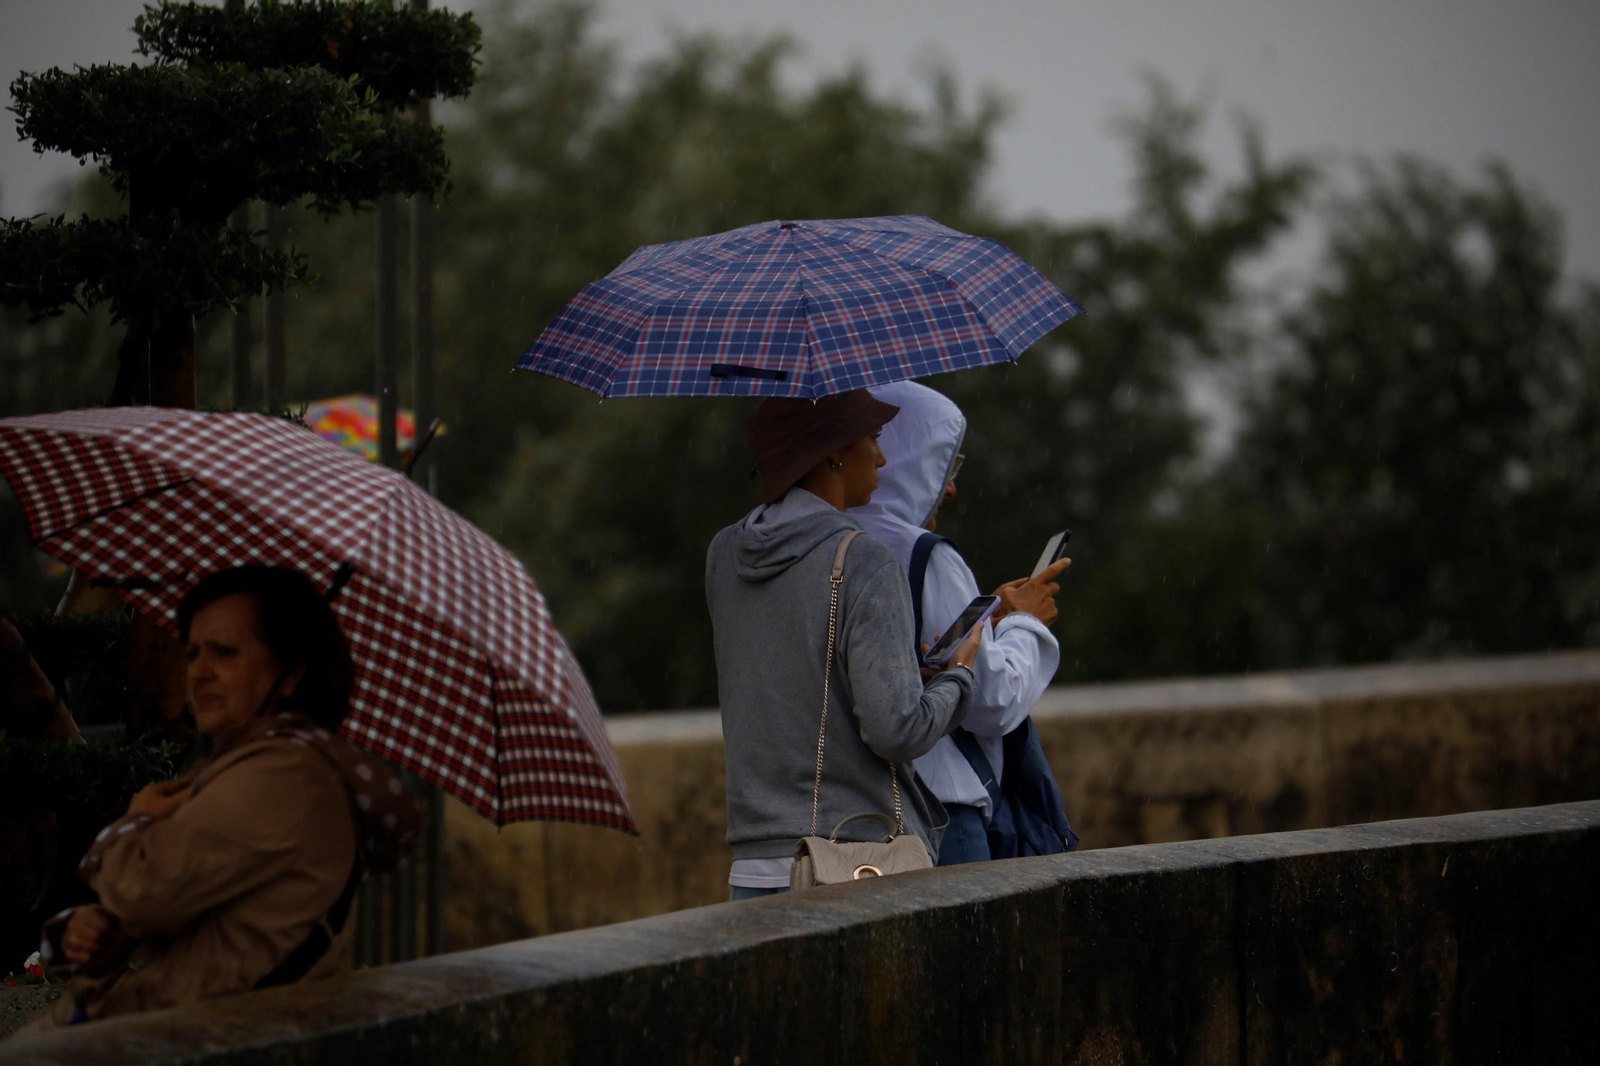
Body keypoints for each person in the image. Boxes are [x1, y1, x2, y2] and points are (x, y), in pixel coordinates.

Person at [19, 566, 418, 1031]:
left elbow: (142, 893)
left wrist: (135, 821)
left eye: (224, 653)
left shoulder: (279, 776)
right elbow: (203, 918)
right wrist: (105, 932)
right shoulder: (266, 766)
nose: (199, 672)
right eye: (192, 652)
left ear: (291, 675)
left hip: (172, 1039)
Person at [705, 390, 982, 900]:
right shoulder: (865, 559)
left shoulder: (724, 553)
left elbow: (788, 676)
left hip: (753, 869)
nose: (882, 458)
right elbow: (898, 730)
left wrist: (900, 671)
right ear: (833, 452)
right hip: (852, 864)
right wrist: (960, 677)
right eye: (873, 439)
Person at [851, 380, 1071, 864]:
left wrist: (987, 620)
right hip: (942, 815)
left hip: (854, 817)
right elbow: (990, 701)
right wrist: (1025, 625)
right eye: (944, 467)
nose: (950, 488)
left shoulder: (835, 541)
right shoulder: (925, 555)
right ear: (909, 462)